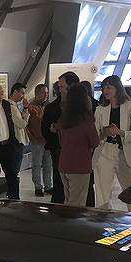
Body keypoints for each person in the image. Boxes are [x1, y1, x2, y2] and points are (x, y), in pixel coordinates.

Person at [92, 75, 131, 210]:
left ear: (117, 88)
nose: (105, 91)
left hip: (125, 151)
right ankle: (103, 217)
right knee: (102, 192)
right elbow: (96, 135)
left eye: (109, 87)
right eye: (103, 88)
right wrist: (105, 133)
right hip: (105, 151)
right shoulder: (100, 109)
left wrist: (119, 132)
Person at [58, 83, 100, 206]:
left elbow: (61, 141)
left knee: (68, 201)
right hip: (79, 166)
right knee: (77, 204)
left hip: (64, 164)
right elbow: (94, 142)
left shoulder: (63, 118)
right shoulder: (86, 118)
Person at [42, 72, 80, 203]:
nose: (60, 90)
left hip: (79, 153)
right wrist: (54, 133)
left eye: (62, 87)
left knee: (79, 186)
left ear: (72, 86)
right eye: (59, 87)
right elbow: (45, 128)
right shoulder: (52, 107)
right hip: (58, 150)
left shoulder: (87, 107)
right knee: (59, 180)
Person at [26, 83, 52, 196]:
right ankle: (38, 186)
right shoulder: (31, 107)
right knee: (37, 164)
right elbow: (26, 124)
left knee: (48, 164)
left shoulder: (49, 106)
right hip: (37, 140)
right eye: (43, 93)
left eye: (46, 93)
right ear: (36, 93)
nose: (45, 95)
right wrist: (32, 137)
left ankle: (48, 185)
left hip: (48, 140)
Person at [7, 82, 30, 179]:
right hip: (16, 142)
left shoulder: (14, 106)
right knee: (14, 170)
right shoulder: (11, 107)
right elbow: (22, 124)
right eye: (22, 93)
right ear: (15, 92)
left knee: (14, 169)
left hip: (17, 142)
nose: (23, 96)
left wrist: (25, 109)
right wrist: (26, 114)